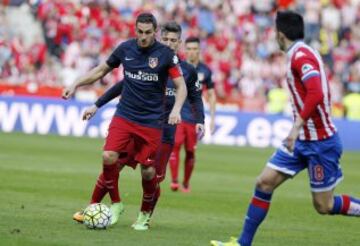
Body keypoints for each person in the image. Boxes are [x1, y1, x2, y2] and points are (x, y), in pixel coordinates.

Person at [210, 11, 360, 246]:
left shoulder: (301, 56)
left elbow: (316, 92)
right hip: (302, 141)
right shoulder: (297, 54)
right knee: (264, 182)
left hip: (320, 142)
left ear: (280, 35)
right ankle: (243, 243)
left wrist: (296, 126)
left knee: (324, 205)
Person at [73, 21, 204, 230]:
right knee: (113, 164)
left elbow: (195, 97)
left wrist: (198, 120)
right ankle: (92, 207)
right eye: (166, 39)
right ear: (160, 38)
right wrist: (97, 104)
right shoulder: (151, 58)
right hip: (134, 121)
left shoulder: (186, 71)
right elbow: (122, 85)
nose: (169, 43)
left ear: (179, 43)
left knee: (151, 175)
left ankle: (145, 216)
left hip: (163, 129)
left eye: (173, 40)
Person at [169, 36, 216, 192]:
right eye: (188, 49)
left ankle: (186, 183)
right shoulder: (177, 67)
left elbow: (211, 95)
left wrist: (212, 118)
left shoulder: (205, 71)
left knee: (190, 151)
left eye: (195, 49)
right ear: (185, 50)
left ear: (199, 50)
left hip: (194, 117)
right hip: (178, 113)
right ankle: (174, 181)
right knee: (175, 146)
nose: (191, 52)